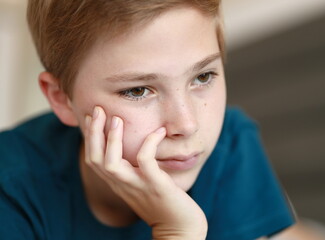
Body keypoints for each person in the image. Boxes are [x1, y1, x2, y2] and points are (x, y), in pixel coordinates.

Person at [0, 0, 295, 239]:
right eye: (138, 91)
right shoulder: (12, 190)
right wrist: (177, 232)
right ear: (61, 98)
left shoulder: (229, 144)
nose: (186, 125)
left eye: (203, 76)